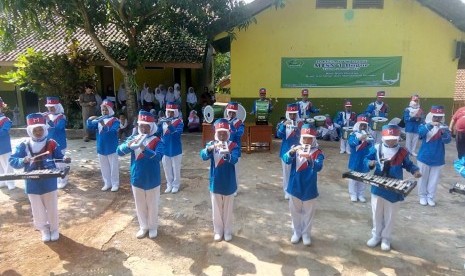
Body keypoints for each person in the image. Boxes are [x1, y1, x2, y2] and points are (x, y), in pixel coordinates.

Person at [9, 113, 70, 242]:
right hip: (32, 181)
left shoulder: (51, 142)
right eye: (35, 130)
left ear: (44, 129)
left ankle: (54, 228)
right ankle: (44, 229)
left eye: (40, 129)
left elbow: (59, 155)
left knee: (51, 206)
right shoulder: (24, 144)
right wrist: (23, 160)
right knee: (37, 208)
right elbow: (12, 160)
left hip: (49, 180)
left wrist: (65, 158)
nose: (38, 132)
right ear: (30, 130)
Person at [364, 124, 421, 251]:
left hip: (394, 187)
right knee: (376, 213)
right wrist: (370, 163)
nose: (391, 140)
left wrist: (415, 170)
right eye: (389, 138)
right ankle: (376, 236)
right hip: (378, 186)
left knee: (390, 215)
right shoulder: (377, 148)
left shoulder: (402, 151)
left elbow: (408, 164)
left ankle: (386, 238)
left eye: (394, 138)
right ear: (383, 137)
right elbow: (366, 159)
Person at [117, 111, 164, 239]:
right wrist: (129, 146)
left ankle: (153, 227)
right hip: (137, 177)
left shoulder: (157, 141)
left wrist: (144, 148)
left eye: (146, 126)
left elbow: (158, 157)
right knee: (140, 204)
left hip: (152, 178)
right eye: (141, 126)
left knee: (152, 204)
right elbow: (119, 152)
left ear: (152, 127)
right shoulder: (134, 138)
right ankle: (143, 227)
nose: (143, 129)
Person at [282, 124, 324, 246]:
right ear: (301, 138)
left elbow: (319, 167)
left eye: (310, 138)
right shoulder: (296, 149)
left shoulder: (318, 153)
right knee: (294, 211)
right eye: (305, 138)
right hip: (295, 185)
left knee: (308, 212)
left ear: (314, 139)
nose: (307, 141)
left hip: (309, 187)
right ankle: (296, 232)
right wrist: (291, 152)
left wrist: (310, 159)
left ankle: (306, 234)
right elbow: (286, 159)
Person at [200, 118, 240, 242]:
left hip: (228, 181)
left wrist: (228, 154)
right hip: (215, 181)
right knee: (216, 209)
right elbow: (203, 156)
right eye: (220, 133)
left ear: (228, 133)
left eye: (224, 133)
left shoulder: (233, 145)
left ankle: (227, 231)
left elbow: (235, 159)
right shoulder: (211, 144)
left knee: (228, 209)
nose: (222, 135)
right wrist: (209, 149)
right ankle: (218, 231)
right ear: (216, 133)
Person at [416, 106, 451, 206]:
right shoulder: (424, 125)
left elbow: (448, 140)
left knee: (434, 180)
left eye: (440, 117)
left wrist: (443, 132)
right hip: (424, 157)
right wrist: (430, 125)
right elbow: (420, 134)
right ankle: (422, 196)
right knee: (423, 178)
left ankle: (430, 197)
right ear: (431, 116)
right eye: (435, 117)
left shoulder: (444, 127)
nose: (438, 119)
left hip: (438, 157)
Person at [87, 100, 120, 192]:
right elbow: (90, 128)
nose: (104, 112)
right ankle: (107, 183)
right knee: (104, 166)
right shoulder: (98, 120)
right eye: (103, 110)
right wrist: (90, 119)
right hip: (101, 146)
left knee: (113, 167)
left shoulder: (115, 120)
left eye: (106, 110)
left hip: (112, 147)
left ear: (110, 110)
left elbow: (113, 131)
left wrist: (103, 124)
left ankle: (115, 183)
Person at [277, 103, 302, 200]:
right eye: (290, 114)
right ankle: (287, 191)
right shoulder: (283, 123)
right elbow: (279, 135)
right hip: (286, 152)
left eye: (294, 114)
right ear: (287, 114)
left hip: (298, 151)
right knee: (286, 173)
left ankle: (296, 189)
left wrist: (298, 129)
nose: (292, 116)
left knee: (297, 171)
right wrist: (283, 126)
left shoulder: (301, 124)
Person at [158, 102, 184, 194]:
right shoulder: (163, 122)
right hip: (165, 149)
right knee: (166, 168)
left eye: (171, 112)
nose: (169, 114)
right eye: (168, 112)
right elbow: (158, 133)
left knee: (176, 168)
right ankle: (169, 184)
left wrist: (170, 125)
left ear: (175, 112)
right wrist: (158, 124)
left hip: (176, 149)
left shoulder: (179, 122)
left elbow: (177, 134)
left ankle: (176, 185)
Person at [347, 115, 373, 202]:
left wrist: (369, 142)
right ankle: (353, 194)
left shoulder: (369, 135)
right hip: (355, 159)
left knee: (363, 178)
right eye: (361, 125)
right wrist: (360, 139)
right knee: (353, 178)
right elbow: (351, 143)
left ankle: (361, 194)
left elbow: (372, 147)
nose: (363, 127)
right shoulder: (353, 134)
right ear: (358, 125)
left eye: (365, 125)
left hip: (365, 159)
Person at [44, 97, 68, 189]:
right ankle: (56, 179)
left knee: (60, 163)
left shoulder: (62, 117)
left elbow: (58, 128)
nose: (50, 109)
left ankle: (63, 180)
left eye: (52, 107)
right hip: (49, 143)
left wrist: (48, 121)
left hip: (59, 143)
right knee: (52, 163)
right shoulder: (48, 116)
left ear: (57, 107)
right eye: (49, 107)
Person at [225, 102, 245, 196]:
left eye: (233, 112)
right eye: (230, 112)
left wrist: (232, 126)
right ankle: (227, 186)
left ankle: (235, 188)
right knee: (226, 170)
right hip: (224, 149)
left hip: (235, 150)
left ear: (236, 113)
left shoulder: (239, 123)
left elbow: (239, 134)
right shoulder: (224, 122)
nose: (231, 114)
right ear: (227, 112)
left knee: (235, 170)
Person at [0, 98, 14, 190]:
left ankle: (10, 181)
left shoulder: (6, 119)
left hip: (4, 145)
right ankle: (2, 181)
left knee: (8, 163)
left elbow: (4, 131)